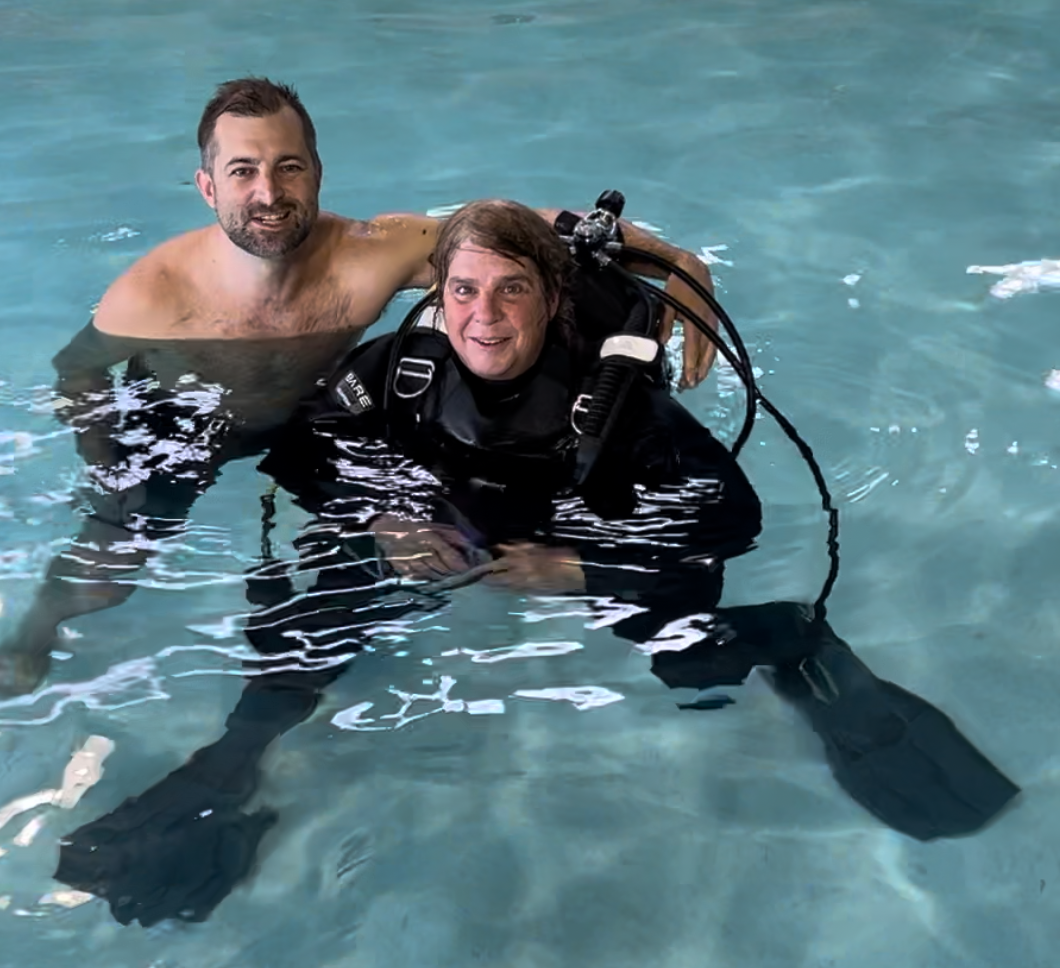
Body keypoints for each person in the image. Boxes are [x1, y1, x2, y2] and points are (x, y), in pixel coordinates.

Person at [50, 200, 1020, 928]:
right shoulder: (403, 366)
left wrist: (583, 567)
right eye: (464, 290)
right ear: (438, 296)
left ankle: (790, 645)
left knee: (692, 656)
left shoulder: (612, 401)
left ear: (552, 301)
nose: (483, 315)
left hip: (582, 517)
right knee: (318, 609)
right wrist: (387, 513)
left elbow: (728, 513)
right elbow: (308, 443)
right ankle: (232, 764)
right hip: (439, 513)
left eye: (511, 290)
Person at [0, 77, 719, 695]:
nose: (268, 193)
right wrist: (107, 464)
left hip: (330, 427)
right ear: (207, 186)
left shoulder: (372, 253)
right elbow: (76, 369)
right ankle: (39, 624)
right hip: (191, 423)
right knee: (109, 573)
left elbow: (516, 236)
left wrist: (682, 265)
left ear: (317, 170)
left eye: (289, 167)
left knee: (429, 547)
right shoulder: (150, 293)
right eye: (243, 171)